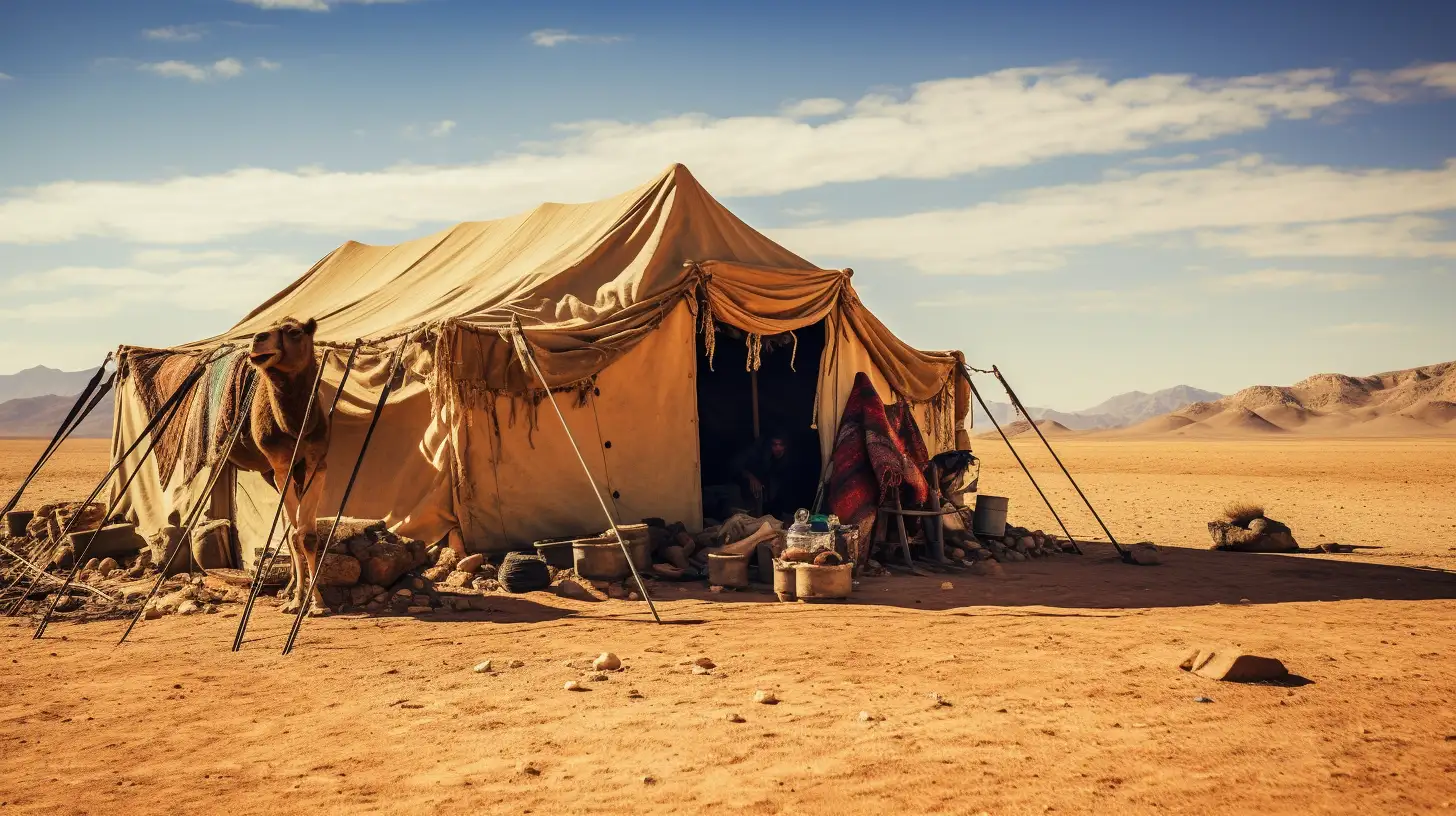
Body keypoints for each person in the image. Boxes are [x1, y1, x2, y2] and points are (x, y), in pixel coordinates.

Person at [730, 432, 798, 519]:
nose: (777, 448)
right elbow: (737, 466)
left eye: (780, 444)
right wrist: (751, 477)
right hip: (761, 490)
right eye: (774, 444)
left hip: (780, 495)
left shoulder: (790, 461)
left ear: (785, 446)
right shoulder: (762, 456)